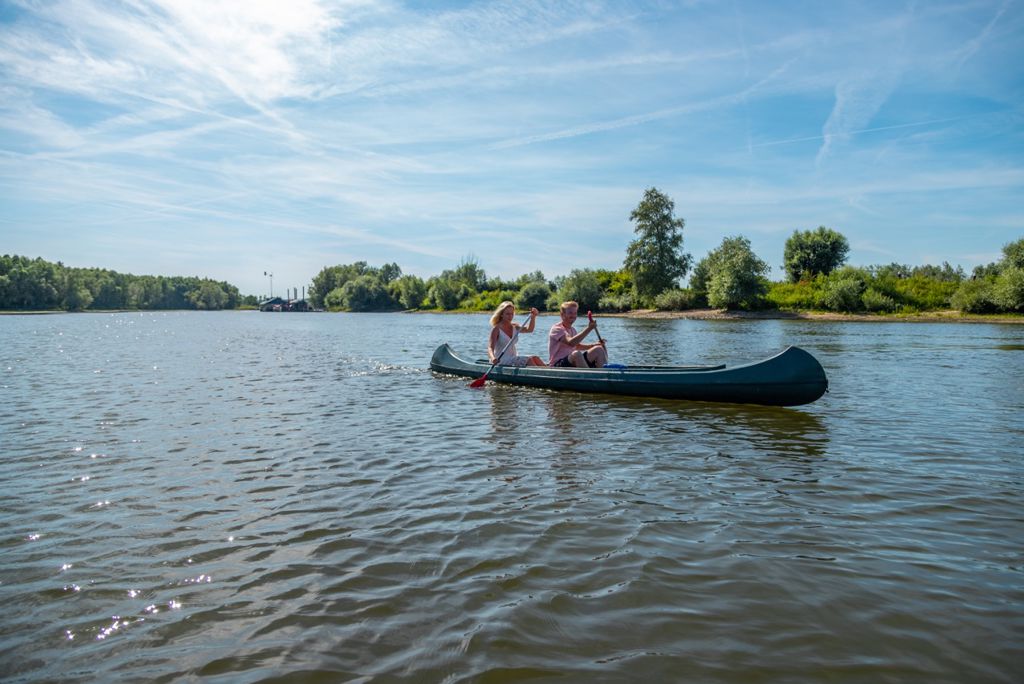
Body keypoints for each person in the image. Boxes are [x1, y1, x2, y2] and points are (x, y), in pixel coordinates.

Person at [548, 300, 608, 368]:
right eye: (570, 313)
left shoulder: (573, 330)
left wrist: (593, 345)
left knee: (598, 349)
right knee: (576, 354)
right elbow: (571, 343)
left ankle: (604, 375)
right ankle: (589, 376)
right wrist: (589, 328)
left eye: (575, 313)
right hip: (558, 364)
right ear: (562, 315)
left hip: (572, 361)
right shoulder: (556, 329)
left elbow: (577, 346)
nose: (573, 315)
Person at [488, 301, 545, 367]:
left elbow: (529, 330)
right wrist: (493, 358)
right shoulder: (496, 329)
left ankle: (549, 373)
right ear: (501, 314)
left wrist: (533, 317)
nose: (510, 316)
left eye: (512, 314)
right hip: (500, 360)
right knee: (528, 360)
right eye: (507, 314)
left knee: (535, 358)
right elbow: (490, 348)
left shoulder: (515, 326)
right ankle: (539, 375)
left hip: (513, 358)